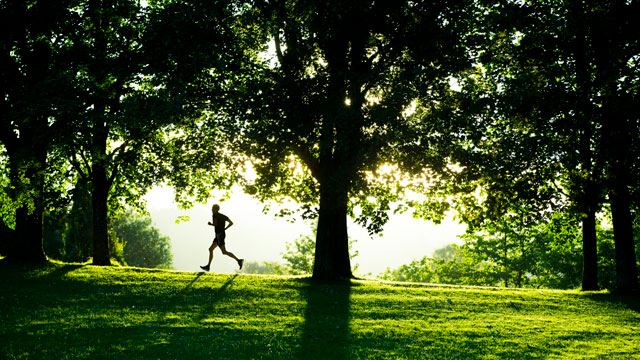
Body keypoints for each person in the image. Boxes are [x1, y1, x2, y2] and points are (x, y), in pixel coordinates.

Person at [200, 204, 244, 271]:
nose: (212, 210)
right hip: (220, 234)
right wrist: (225, 228)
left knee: (224, 252)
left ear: (216, 209)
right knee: (210, 249)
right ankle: (208, 266)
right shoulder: (223, 216)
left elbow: (215, 224)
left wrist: (210, 224)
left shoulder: (215, 215)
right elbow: (231, 223)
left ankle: (239, 260)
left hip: (219, 235)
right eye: (212, 208)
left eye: (213, 208)